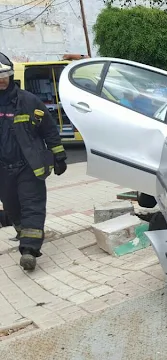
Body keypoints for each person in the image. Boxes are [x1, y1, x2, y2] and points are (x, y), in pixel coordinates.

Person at [0, 52, 67, 271]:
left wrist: (59, 155)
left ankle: (28, 250)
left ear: (10, 75)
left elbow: (49, 129)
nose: (1, 79)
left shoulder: (28, 101)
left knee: (32, 206)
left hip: (29, 166)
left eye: (5, 74)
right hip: (3, 170)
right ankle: (24, 234)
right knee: (12, 208)